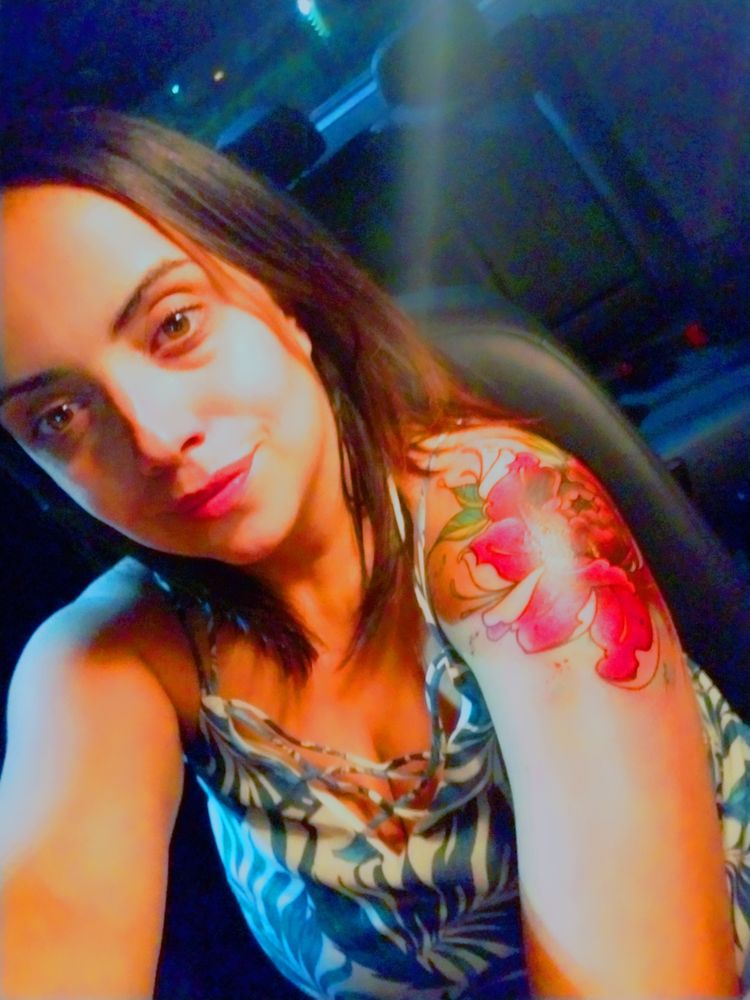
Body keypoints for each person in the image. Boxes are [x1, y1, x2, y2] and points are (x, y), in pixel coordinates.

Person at [0, 106, 747, 1000]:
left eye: (176, 326)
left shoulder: (498, 517)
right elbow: (47, 915)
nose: (156, 437)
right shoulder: (110, 658)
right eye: (58, 417)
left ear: (280, 300)